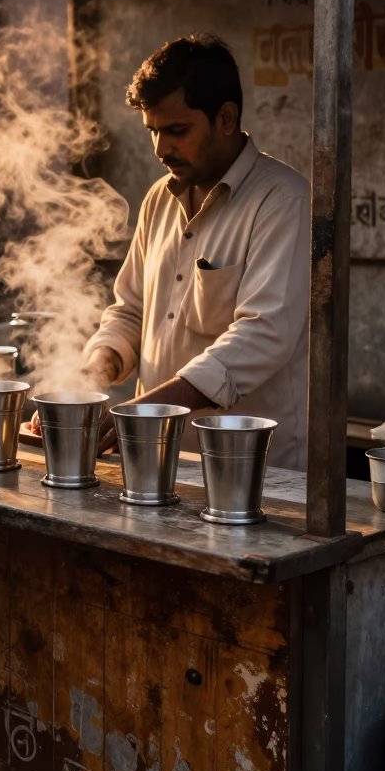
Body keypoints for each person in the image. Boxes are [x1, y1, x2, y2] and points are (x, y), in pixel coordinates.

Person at [84, 37, 310, 469]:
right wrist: (92, 375)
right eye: (153, 131)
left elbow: (263, 336)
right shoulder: (158, 199)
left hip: (256, 473)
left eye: (177, 130)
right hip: (155, 464)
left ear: (225, 118)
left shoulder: (284, 201)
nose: (160, 149)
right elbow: (130, 311)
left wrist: (147, 413)